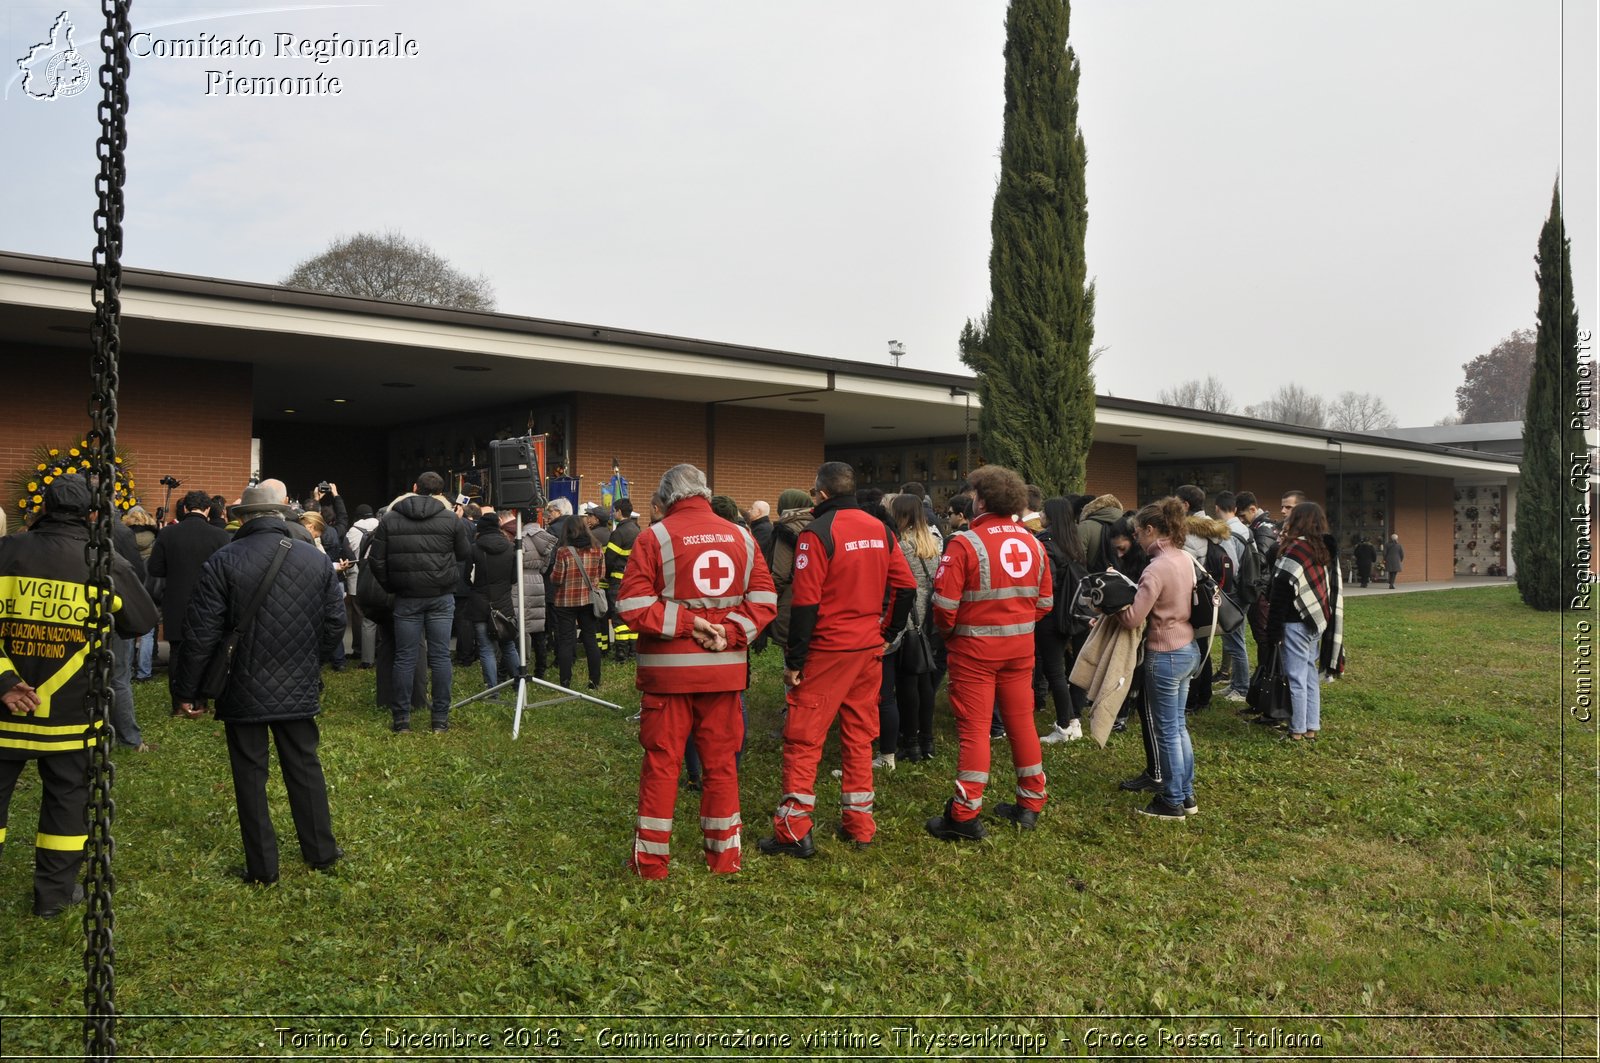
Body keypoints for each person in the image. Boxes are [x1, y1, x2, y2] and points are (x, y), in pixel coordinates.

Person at [171, 483, 346, 884]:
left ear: (244, 519)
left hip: (241, 682)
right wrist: (310, 659)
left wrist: (187, 691)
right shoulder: (315, 559)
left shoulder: (224, 559)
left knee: (250, 773)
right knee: (305, 765)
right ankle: (321, 852)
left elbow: (201, 633)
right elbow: (335, 623)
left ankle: (262, 868)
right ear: (281, 517)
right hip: (298, 680)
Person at [0, 474, 157, 916]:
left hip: (4, 712)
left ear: (41, 509)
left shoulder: (4, 553)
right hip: (70, 713)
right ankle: (52, 898)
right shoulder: (103, 564)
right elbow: (142, 620)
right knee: (67, 805)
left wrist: (6, 682)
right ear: (93, 515)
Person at [619, 464, 776, 878]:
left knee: (662, 764)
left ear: (666, 497)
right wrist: (728, 632)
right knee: (722, 764)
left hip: (668, 679)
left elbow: (633, 607)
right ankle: (725, 859)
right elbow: (763, 600)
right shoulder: (742, 536)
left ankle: (651, 863)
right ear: (705, 492)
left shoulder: (654, 537)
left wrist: (689, 624)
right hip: (724, 676)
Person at [759, 462, 915, 857]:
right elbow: (906, 586)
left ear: (822, 494)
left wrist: (795, 659)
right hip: (867, 651)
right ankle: (859, 825)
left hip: (828, 652)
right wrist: (887, 633)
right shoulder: (880, 528)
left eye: (813, 493)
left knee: (803, 739)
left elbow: (805, 603)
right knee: (860, 737)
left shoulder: (817, 533)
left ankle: (793, 831)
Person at [925, 465, 1052, 840]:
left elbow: (944, 606)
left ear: (981, 499)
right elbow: (1044, 602)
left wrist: (953, 635)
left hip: (973, 651)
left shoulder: (966, 542)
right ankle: (1031, 802)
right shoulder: (1033, 541)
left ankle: (964, 815)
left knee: (975, 731)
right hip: (1020, 649)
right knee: (1021, 722)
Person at [1116, 498, 1201, 820]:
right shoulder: (1184, 558)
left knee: (1166, 730)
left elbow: (1133, 618)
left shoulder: (1157, 567)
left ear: (1151, 530)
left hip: (1164, 653)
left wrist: (1112, 606)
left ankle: (1172, 800)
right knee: (1178, 727)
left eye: (1138, 533)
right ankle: (1186, 793)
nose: (1136, 538)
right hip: (1187, 647)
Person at [369, 471, 473, 733]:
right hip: (441, 595)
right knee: (440, 657)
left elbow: (376, 560)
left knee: (405, 657)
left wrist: (391, 586)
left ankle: (401, 720)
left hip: (406, 597)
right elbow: (464, 553)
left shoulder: (391, 518)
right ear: (441, 492)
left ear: (414, 487)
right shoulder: (450, 519)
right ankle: (440, 719)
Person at [147, 489, 231, 718]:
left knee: (177, 653)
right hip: (210, 603)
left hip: (176, 601)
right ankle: (200, 701)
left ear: (184, 509)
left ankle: (178, 703)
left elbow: (155, 569)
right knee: (207, 651)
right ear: (207, 509)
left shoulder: (168, 534)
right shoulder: (221, 537)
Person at [1269, 502, 1345, 740]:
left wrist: (1272, 630)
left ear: (1299, 520)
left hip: (1295, 622)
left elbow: (1281, 590)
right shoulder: (1322, 548)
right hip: (1316, 621)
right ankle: (1311, 727)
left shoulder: (1297, 549)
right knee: (1309, 674)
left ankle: (1297, 730)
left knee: (1296, 676)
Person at [889, 493, 940, 762]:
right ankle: (927, 740)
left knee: (907, 680)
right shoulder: (933, 542)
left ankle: (910, 741)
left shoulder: (900, 545)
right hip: (929, 615)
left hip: (908, 616)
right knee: (926, 682)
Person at [1036, 497, 1089, 744]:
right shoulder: (1074, 542)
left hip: (1049, 614)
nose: (1039, 514)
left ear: (1050, 516)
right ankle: (1072, 720)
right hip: (1071, 613)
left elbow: (1045, 581)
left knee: (1054, 671)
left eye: (1043, 512)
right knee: (1066, 669)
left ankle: (1065, 726)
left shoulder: (1045, 543)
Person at [549, 515, 606, 691]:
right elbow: (601, 574)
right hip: (589, 601)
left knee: (566, 640)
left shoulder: (563, 551)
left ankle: (565, 682)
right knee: (590, 639)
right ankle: (594, 681)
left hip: (566, 602)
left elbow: (556, 579)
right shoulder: (597, 549)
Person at [467, 514, 520, 692]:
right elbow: (514, 578)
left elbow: (467, 578)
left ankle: (492, 690)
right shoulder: (511, 547)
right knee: (509, 645)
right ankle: (519, 685)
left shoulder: (474, 549)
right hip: (504, 603)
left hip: (480, 604)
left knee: (486, 649)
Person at [123, 505, 160, 681]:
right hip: (150, 589)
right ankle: (144, 672)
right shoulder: (155, 538)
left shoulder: (123, 539)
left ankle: (127, 670)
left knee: (128, 633)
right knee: (148, 634)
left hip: (130, 589)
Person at [604, 499, 642, 663]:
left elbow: (610, 559)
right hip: (634, 582)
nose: (614, 514)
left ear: (619, 512)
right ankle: (633, 650)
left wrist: (605, 576)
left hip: (618, 582)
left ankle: (620, 653)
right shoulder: (638, 530)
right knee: (631, 615)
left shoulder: (619, 533)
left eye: (615, 511)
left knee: (618, 617)